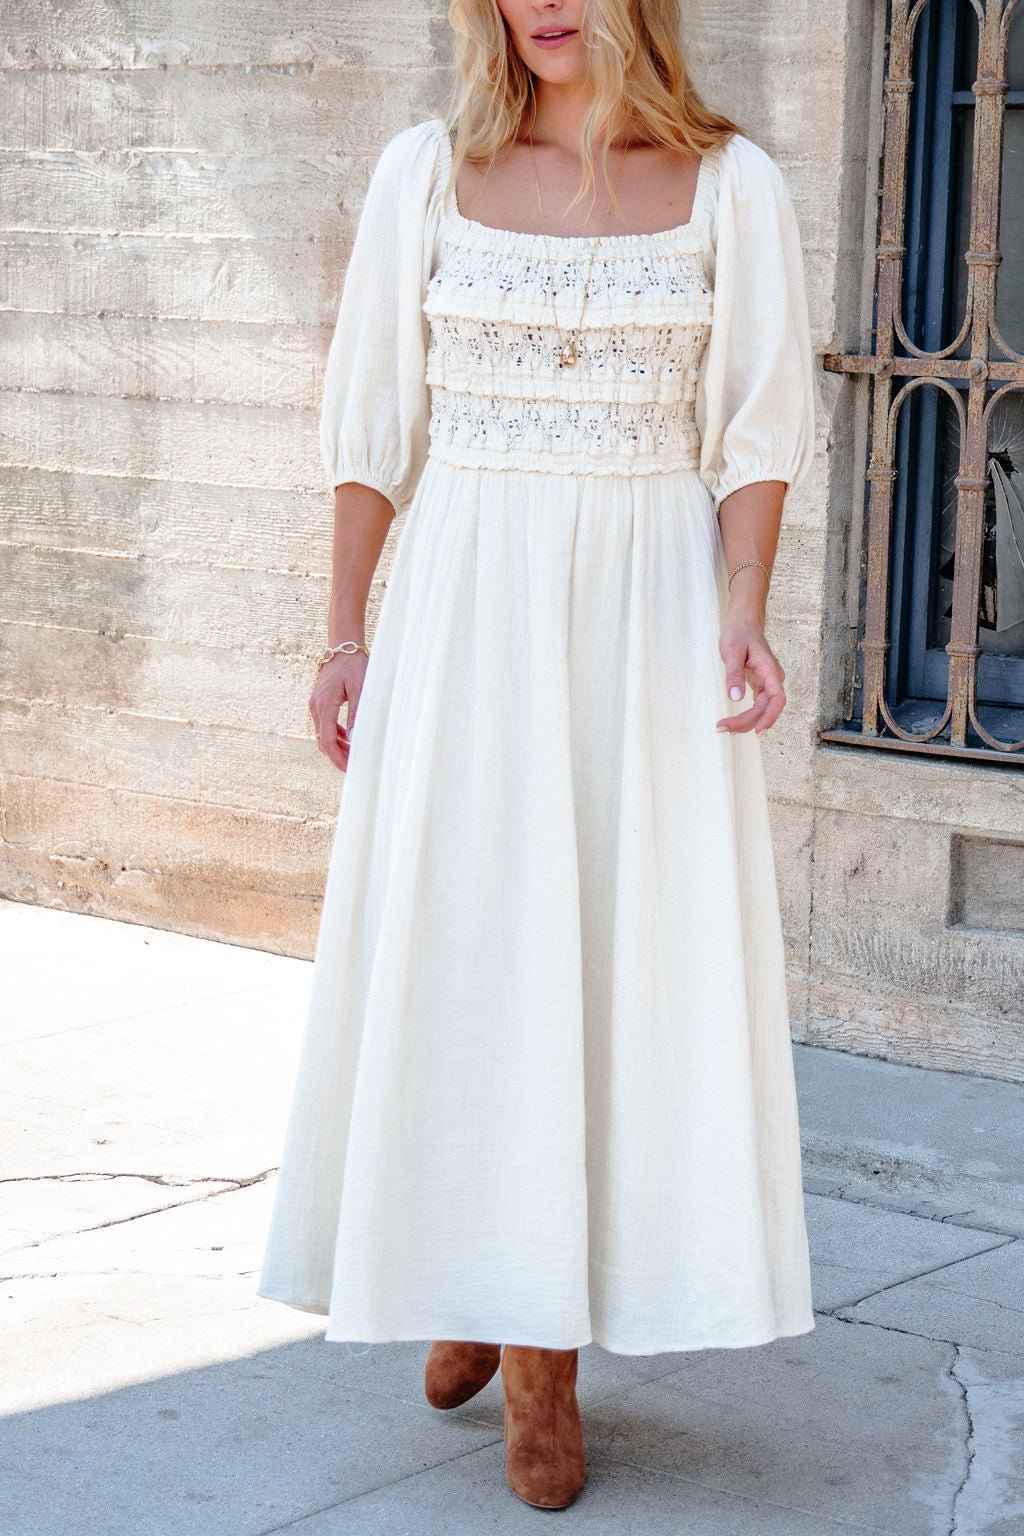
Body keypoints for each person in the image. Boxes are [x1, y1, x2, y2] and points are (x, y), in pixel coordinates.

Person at [259, 0, 817, 1511]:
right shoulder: (426, 173)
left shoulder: (731, 185)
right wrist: (340, 634)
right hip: (465, 605)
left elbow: (757, 426)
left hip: (643, 606)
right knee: (471, 949)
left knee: (611, 961)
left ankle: (542, 1359)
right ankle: (475, 1275)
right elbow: (372, 423)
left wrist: (744, 613)